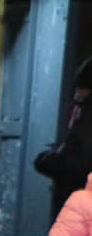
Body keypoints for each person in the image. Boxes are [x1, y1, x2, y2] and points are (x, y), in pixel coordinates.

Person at [34, 57, 92, 219]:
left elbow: (74, 164)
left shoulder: (86, 119)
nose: (76, 95)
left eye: (80, 88)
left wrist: (45, 159)